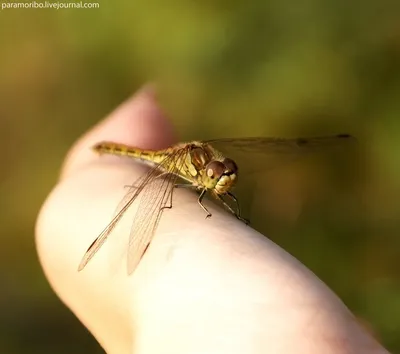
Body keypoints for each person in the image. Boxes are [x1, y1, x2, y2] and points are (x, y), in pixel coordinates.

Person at [36, 86, 389, 353]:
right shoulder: (188, 169)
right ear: (206, 172)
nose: (224, 180)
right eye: (219, 176)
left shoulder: (215, 168)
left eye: (226, 174)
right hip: (135, 158)